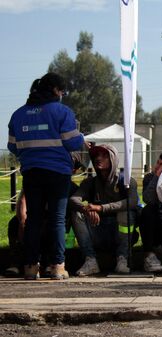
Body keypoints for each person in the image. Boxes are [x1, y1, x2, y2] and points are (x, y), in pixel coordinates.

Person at [7, 72, 84, 280]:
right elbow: (73, 143)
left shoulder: (18, 114)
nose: (62, 95)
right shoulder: (62, 112)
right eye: (62, 91)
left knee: (33, 219)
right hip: (57, 172)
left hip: (31, 172)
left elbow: (12, 146)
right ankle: (58, 266)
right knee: (57, 219)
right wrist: (82, 136)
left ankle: (31, 267)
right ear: (56, 91)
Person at [69, 144, 138, 276]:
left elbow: (133, 201)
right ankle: (90, 260)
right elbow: (74, 199)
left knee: (126, 212)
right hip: (98, 231)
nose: (98, 159)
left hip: (120, 234)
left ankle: (123, 259)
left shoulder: (127, 181)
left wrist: (101, 208)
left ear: (113, 159)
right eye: (96, 156)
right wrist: (86, 209)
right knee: (76, 212)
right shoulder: (89, 182)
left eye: (104, 156)